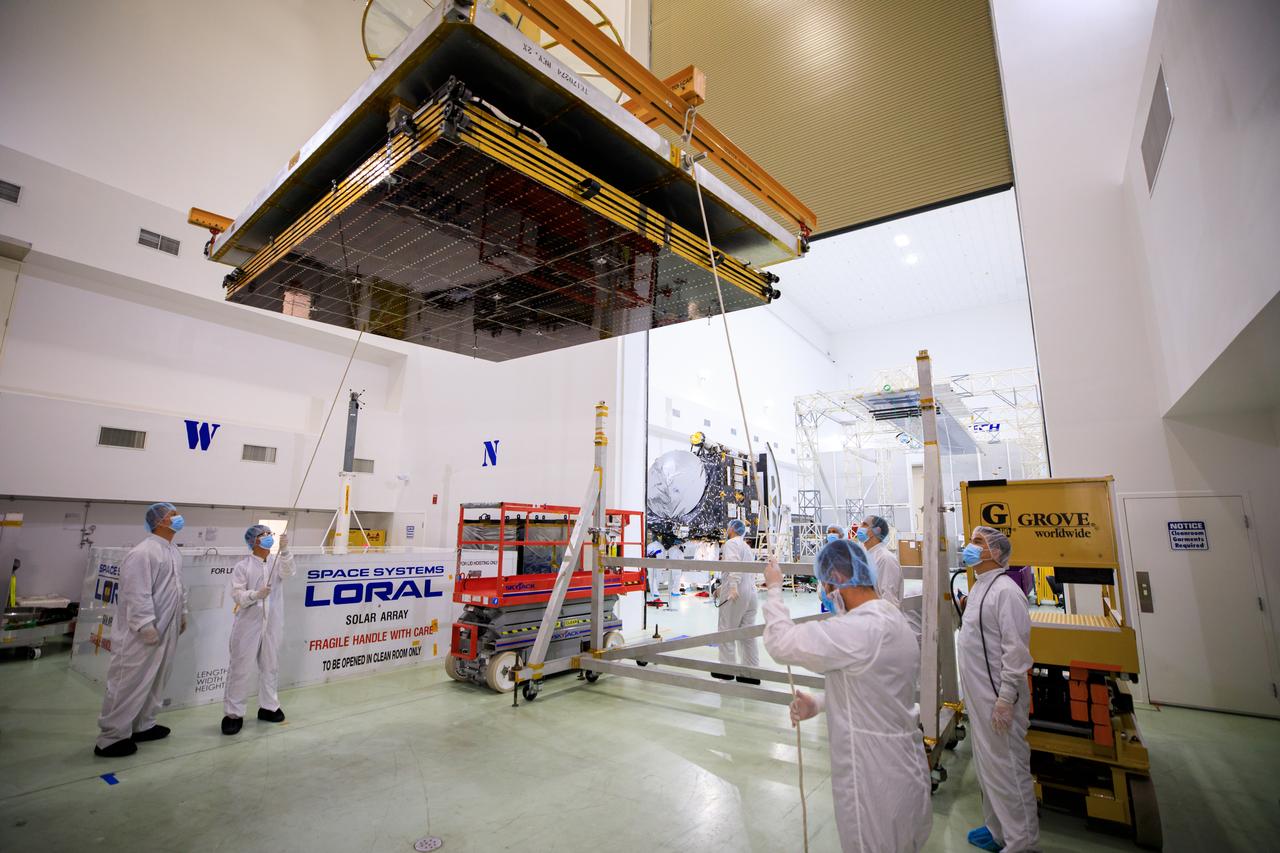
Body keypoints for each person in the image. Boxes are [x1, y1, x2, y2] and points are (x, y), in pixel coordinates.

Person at [762, 540, 931, 852]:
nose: (825, 593)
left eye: (825, 585)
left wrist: (774, 588)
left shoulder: (861, 628)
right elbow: (875, 690)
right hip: (905, 769)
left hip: (873, 779)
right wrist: (820, 703)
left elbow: (780, 642)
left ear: (838, 578)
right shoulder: (892, 618)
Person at [958, 526, 1039, 852]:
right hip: (980, 698)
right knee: (988, 768)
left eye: (978, 542)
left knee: (1009, 771)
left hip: (998, 701)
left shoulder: (1006, 592)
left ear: (996, 552)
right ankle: (998, 831)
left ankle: (1022, 842)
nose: (970, 546)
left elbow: (1016, 652)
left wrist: (1005, 699)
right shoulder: (980, 586)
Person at [94, 502, 189, 757]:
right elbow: (136, 593)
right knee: (128, 682)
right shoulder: (143, 552)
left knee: (157, 678)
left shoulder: (173, 551)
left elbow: (178, 587)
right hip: (140, 633)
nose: (178, 518)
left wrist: (182, 613)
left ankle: (144, 725)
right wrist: (145, 625)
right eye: (173, 515)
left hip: (167, 628)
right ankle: (111, 737)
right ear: (159, 521)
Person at [222, 525, 296, 734]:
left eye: (270, 534)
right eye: (264, 535)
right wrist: (255, 595)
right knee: (240, 668)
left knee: (270, 666)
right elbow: (237, 595)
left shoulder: (277, 562)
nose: (269, 537)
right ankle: (233, 714)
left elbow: (289, 571)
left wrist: (285, 551)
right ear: (253, 541)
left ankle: (269, 707)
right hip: (248, 625)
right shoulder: (243, 567)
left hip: (272, 624)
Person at [713, 519, 760, 684]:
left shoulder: (731, 543)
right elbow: (746, 572)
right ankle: (750, 672)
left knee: (726, 630)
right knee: (747, 634)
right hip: (751, 593)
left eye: (728, 527)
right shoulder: (746, 546)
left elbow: (734, 565)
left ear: (732, 529)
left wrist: (732, 587)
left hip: (737, 593)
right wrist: (722, 587)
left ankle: (727, 670)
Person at [856, 515, 903, 609]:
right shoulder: (867, 556)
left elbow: (889, 601)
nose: (859, 528)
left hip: (881, 616)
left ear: (876, 530)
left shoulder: (885, 559)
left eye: (864, 524)